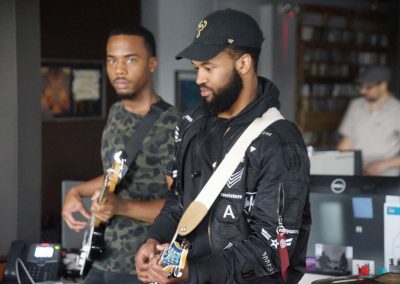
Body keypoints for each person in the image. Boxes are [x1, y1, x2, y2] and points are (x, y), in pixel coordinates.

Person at [136, 9, 311, 284]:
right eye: (196, 69)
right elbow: (180, 201)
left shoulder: (279, 142)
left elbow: (274, 248)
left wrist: (195, 273)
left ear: (243, 63)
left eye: (208, 68)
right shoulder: (191, 124)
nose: (198, 79)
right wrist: (155, 238)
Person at [61, 25, 180, 284]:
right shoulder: (116, 112)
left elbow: (182, 207)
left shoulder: (173, 125)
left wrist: (120, 206)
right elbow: (114, 175)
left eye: (131, 60)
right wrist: (76, 192)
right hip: (100, 256)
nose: (119, 70)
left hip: (144, 267)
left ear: (152, 64)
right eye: (112, 60)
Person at [337, 65, 400, 176]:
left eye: (368, 87)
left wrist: (383, 165)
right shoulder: (356, 105)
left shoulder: (397, 110)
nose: (362, 91)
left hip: (386, 177)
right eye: (361, 86)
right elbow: (347, 142)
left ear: (383, 86)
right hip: (355, 174)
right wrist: (336, 164)